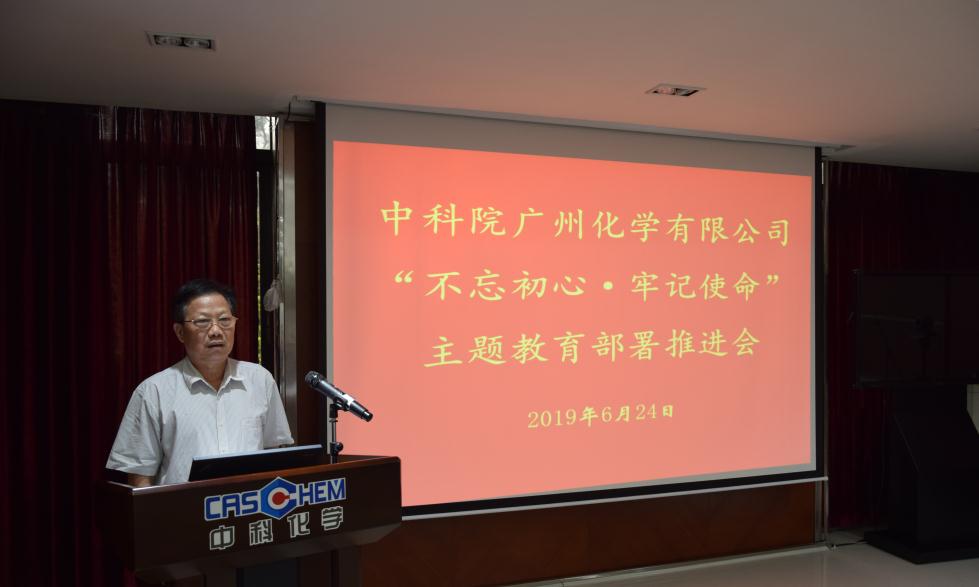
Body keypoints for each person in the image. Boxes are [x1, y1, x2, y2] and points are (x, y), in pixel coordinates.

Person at [106, 279, 293, 486]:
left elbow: (275, 452)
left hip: (246, 504)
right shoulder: (153, 391)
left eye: (224, 320)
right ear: (180, 332)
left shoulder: (260, 379)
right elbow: (140, 474)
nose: (216, 331)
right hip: (185, 506)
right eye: (203, 322)